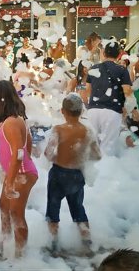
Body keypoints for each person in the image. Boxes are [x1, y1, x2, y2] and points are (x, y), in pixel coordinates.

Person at [44, 94, 102, 252]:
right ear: (82, 111)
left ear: (62, 111)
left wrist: (59, 156)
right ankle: (87, 242)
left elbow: (48, 153)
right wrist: (80, 156)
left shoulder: (59, 130)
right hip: (77, 176)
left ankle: (54, 243)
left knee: (53, 209)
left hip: (58, 174)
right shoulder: (88, 131)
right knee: (78, 208)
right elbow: (97, 155)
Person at [0, 80, 38, 258]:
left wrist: (10, 181)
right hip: (18, 172)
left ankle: (20, 256)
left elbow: (18, 153)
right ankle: (6, 241)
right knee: (4, 206)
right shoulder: (14, 120)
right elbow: (28, 141)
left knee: (17, 214)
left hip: (21, 173)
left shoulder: (11, 123)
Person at [86, 41, 136, 156]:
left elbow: (88, 91)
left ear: (104, 53)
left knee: (92, 147)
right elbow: (127, 91)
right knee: (107, 148)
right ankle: (105, 172)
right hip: (112, 112)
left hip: (93, 110)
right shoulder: (122, 70)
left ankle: (91, 173)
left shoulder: (94, 68)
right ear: (119, 54)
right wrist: (132, 108)